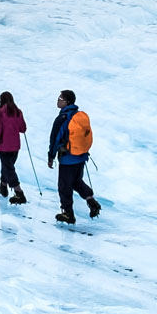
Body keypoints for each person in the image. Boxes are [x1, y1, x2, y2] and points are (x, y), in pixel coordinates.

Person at [47, 90, 101, 224]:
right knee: (77, 181)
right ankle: (91, 200)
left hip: (67, 158)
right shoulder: (78, 116)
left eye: (60, 98)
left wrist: (51, 156)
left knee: (65, 186)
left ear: (67, 102)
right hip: (81, 157)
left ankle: (68, 214)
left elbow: (55, 139)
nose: (58, 100)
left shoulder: (62, 118)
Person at [0, 92, 29, 204]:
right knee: (7, 167)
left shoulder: (0, 113)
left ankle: (19, 193)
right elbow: (23, 129)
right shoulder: (18, 112)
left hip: (4, 146)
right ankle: (3, 187)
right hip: (15, 146)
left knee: (9, 169)